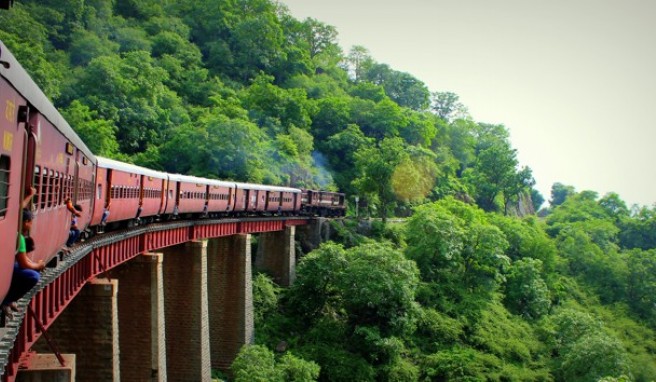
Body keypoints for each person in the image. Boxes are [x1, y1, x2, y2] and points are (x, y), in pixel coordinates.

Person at [1, 209, 44, 319]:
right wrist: (38, 266)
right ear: (26, 222)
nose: (31, 225)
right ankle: (7, 300)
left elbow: (24, 259)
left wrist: (34, 265)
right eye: (31, 222)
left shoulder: (10, 230)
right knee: (33, 276)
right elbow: (24, 264)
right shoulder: (19, 237)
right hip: (5, 268)